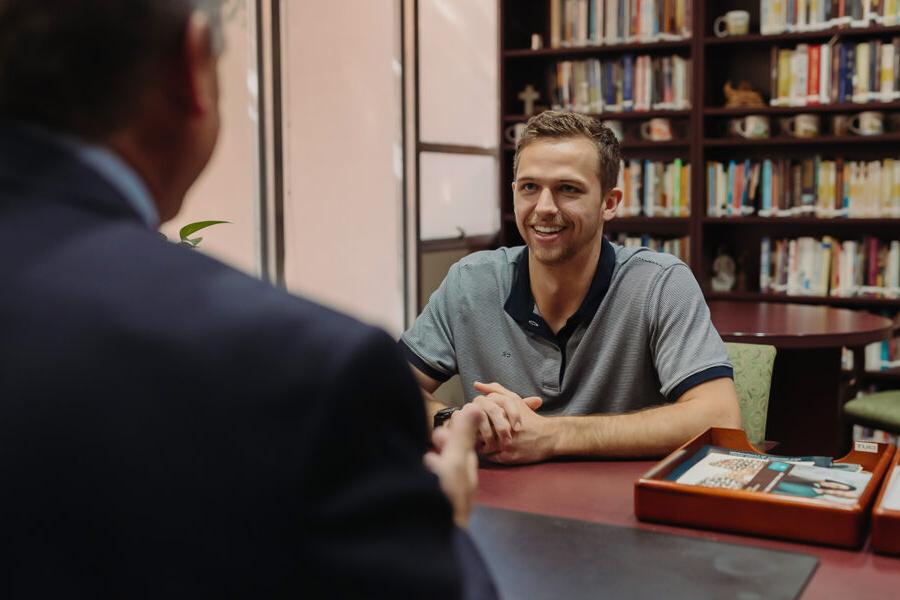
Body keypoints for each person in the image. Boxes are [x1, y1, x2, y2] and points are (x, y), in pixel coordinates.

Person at [0, 1, 494, 597]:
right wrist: (445, 518)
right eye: (527, 186)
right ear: (191, 66)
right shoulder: (309, 371)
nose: (543, 208)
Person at [401, 111, 741, 463]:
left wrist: (551, 435)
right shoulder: (470, 281)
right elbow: (384, 390)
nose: (544, 208)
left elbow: (721, 419)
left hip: (616, 510)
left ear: (609, 203)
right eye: (530, 187)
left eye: (568, 189)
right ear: (515, 192)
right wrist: (454, 421)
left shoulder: (660, 283)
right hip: (497, 507)